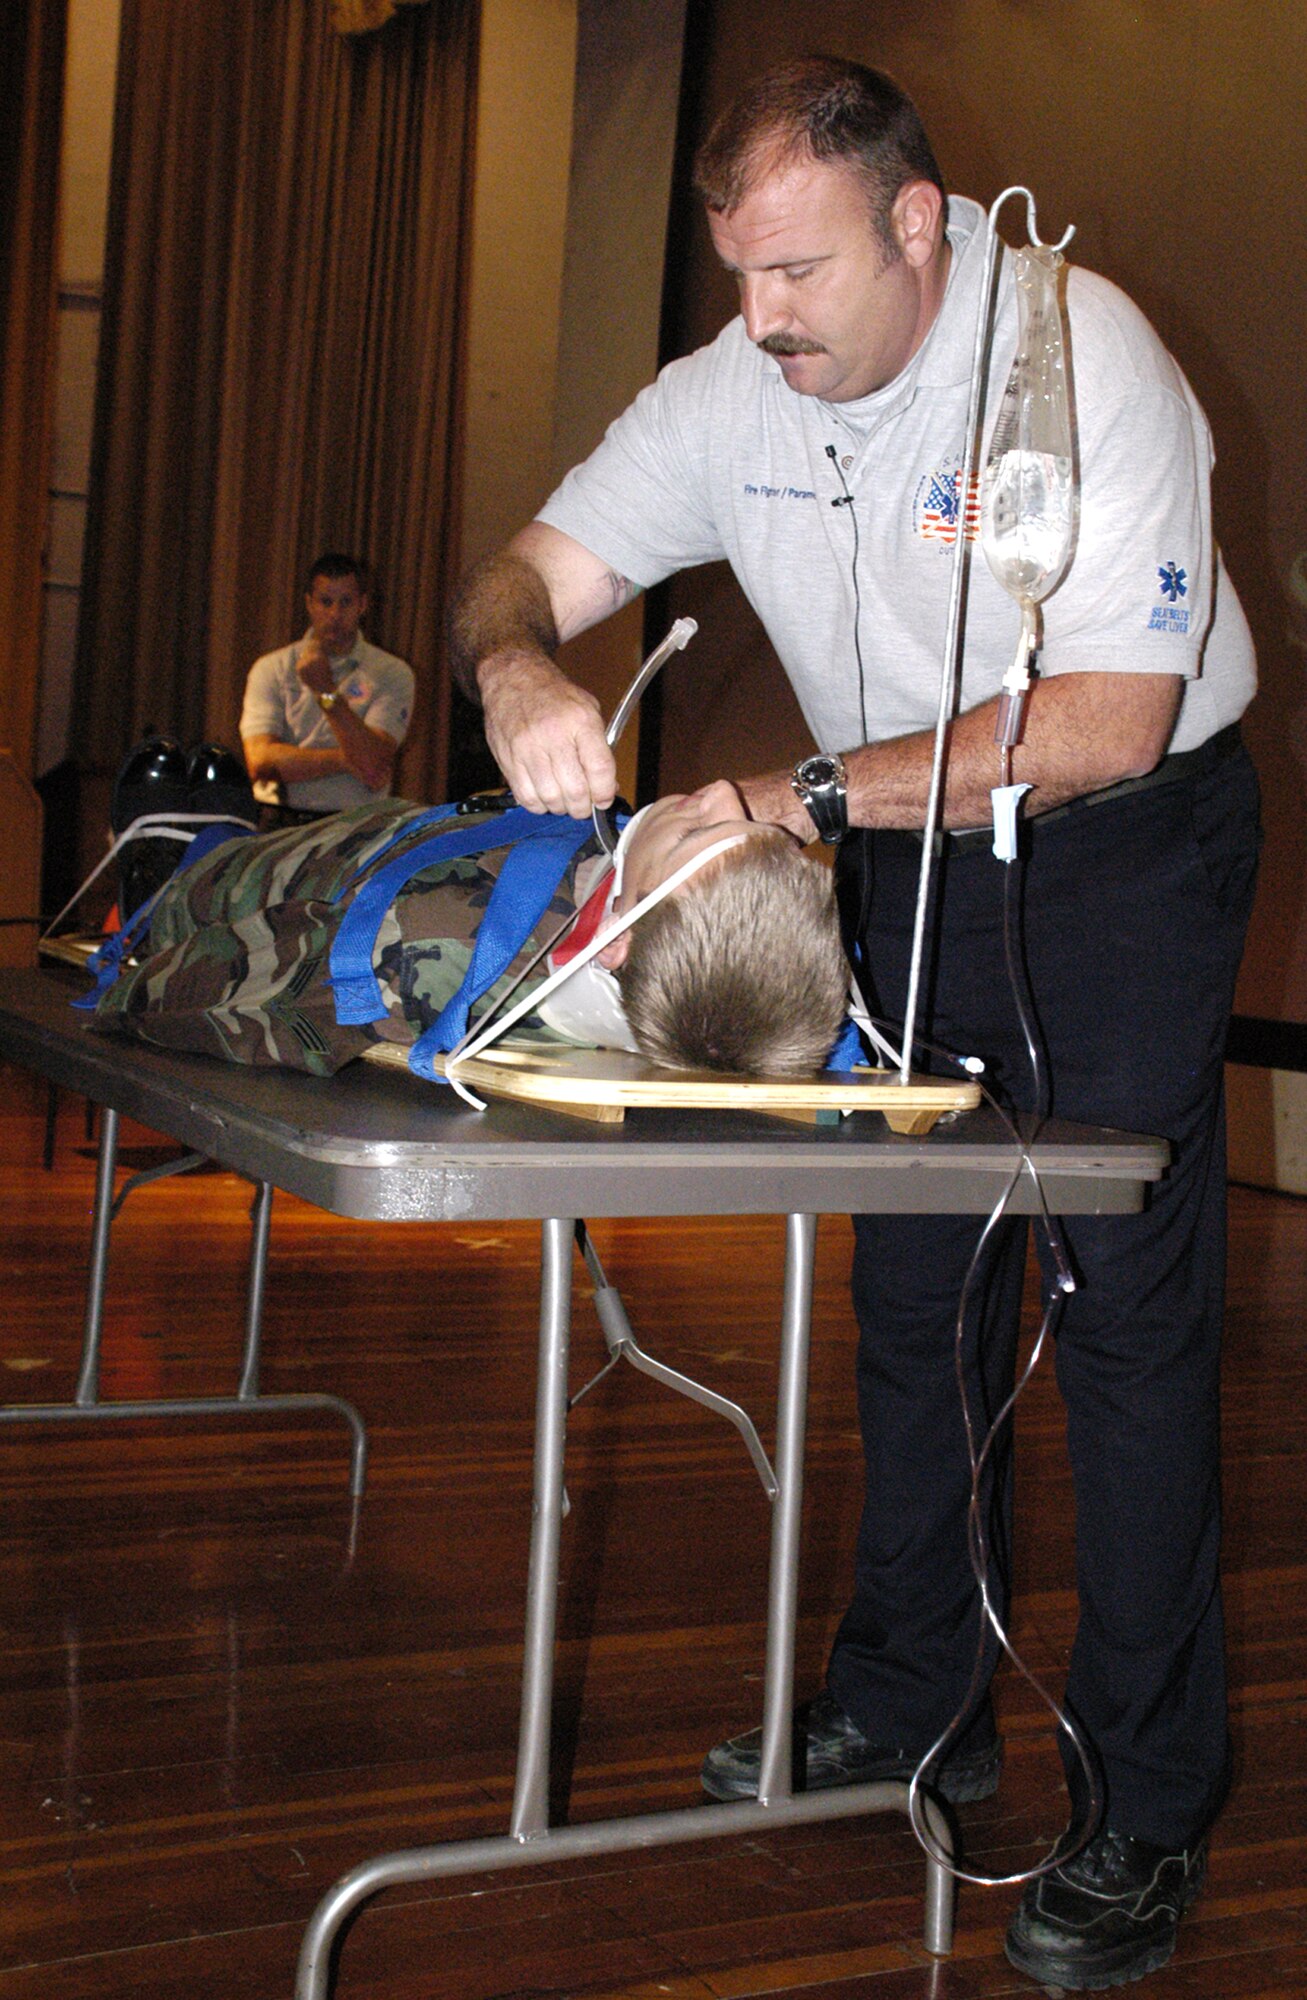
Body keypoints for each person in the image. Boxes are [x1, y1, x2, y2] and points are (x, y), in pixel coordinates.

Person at [446, 55, 1261, 1993]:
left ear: (913, 227)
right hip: (899, 841)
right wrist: (504, 666)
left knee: (1115, 1312)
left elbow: (1106, 720)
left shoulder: (1079, 352)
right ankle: (909, 1703)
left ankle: (1142, 1808)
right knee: (909, 1293)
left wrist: (784, 798)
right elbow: (525, 569)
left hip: (1115, 839)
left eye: (795, 272)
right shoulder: (737, 383)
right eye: (738, 277)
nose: (762, 322)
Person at [92, 782, 849, 1081]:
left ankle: (159, 857)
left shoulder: (415, 952)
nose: (722, 791)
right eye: (747, 822)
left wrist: (124, 977)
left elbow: (208, 991)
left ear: (612, 941)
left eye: (699, 833)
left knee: (184, 823)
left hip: (241, 880)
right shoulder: (657, 942)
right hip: (401, 830)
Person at [240, 553, 415, 813]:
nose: (335, 613)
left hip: (357, 823)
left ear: (362, 605)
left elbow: (373, 760)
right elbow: (260, 763)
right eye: (326, 602)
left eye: (346, 602)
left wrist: (325, 692)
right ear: (309, 603)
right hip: (279, 819)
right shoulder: (271, 669)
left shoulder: (393, 673)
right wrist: (345, 760)